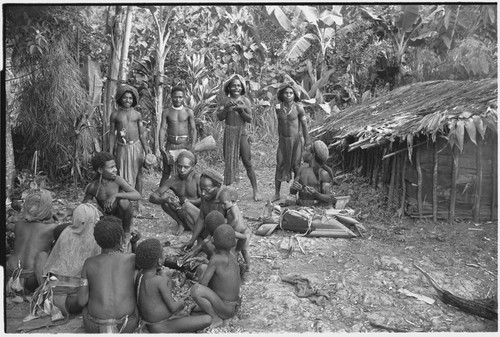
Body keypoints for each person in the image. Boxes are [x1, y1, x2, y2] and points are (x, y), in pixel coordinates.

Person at [30, 204, 101, 317]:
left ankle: (43, 291)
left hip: (52, 297)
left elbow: (53, 261)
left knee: (42, 256)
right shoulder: (96, 235)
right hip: (76, 300)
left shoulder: (66, 232)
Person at [135, 238, 212, 333]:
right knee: (207, 319)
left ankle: (185, 316)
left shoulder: (140, 274)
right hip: (161, 325)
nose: (165, 254)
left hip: (148, 321)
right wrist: (183, 300)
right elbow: (174, 308)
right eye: (163, 252)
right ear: (159, 261)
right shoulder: (159, 281)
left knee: (193, 311)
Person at [77, 217, 138, 333]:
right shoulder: (131, 259)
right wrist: (134, 244)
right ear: (120, 238)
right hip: (126, 325)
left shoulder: (89, 263)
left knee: (87, 307)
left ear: (97, 240)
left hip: (94, 326)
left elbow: (81, 301)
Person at [83, 151, 141, 252]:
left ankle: (127, 232)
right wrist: (68, 212)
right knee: (91, 206)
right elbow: (83, 206)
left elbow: (137, 195)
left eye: (115, 166)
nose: (115, 170)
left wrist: (116, 195)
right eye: (111, 168)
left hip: (122, 217)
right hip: (107, 218)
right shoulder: (93, 187)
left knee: (124, 201)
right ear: (100, 170)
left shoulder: (117, 180)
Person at [217, 74, 261, 201]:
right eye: (233, 86)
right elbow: (220, 117)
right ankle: (228, 193)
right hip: (229, 134)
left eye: (238, 86)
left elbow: (249, 119)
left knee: (248, 162)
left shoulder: (245, 101)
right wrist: (226, 108)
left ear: (242, 88)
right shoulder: (225, 101)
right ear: (229, 88)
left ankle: (256, 191)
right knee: (229, 163)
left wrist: (241, 110)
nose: (236, 88)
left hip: (242, 134)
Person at [6, 189, 57, 294]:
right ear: (46, 209)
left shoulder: (19, 225)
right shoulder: (52, 228)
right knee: (45, 254)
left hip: (11, 274)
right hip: (31, 279)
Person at [190, 225, 241, 328]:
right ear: (233, 243)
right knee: (203, 268)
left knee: (196, 290)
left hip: (226, 309)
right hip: (233, 305)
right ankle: (208, 306)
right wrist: (206, 262)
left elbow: (203, 284)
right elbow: (221, 273)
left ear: (213, 242)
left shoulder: (216, 259)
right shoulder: (232, 254)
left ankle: (215, 318)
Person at [110, 84, 150, 212]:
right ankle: (123, 200)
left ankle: (138, 202)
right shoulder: (115, 115)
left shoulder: (137, 114)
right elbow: (111, 134)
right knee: (120, 174)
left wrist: (146, 149)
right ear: (120, 98)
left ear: (134, 100)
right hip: (122, 147)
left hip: (136, 146)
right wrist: (110, 150)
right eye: (125, 98)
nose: (128, 100)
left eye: (130, 98)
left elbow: (142, 133)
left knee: (138, 174)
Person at [273, 82, 311, 201]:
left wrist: (307, 142)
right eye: (286, 93)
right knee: (279, 165)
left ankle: (296, 194)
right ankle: (277, 193)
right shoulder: (278, 108)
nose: (288, 95)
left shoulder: (299, 108)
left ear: (294, 95)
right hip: (283, 141)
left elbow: (304, 126)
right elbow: (279, 125)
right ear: (282, 94)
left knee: (296, 166)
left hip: (296, 142)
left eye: (291, 93)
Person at [149, 150, 201, 236]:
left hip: (196, 215)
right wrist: (166, 200)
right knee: (164, 197)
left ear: (193, 166)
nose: (182, 170)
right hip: (182, 212)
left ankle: (195, 226)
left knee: (187, 206)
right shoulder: (173, 180)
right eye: (179, 166)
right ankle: (181, 224)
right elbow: (152, 197)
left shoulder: (197, 178)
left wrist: (190, 202)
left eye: (186, 167)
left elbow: (204, 199)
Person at [158, 86, 197, 186]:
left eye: (180, 97)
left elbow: (193, 129)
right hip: (170, 144)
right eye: (175, 97)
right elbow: (162, 128)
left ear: (184, 97)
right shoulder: (166, 112)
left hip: (184, 145)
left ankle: (187, 193)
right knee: (166, 171)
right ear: (171, 97)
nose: (178, 99)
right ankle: (161, 194)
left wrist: (192, 145)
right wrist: (160, 145)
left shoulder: (189, 112)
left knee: (185, 170)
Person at [182, 169, 225, 251]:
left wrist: (200, 247)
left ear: (217, 187)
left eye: (207, 190)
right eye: (201, 189)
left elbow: (218, 227)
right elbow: (201, 218)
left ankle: (204, 245)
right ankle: (200, 241)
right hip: (207, 226)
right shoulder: (204, 195)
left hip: (218, 232)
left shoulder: (224, 200)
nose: (203, 193)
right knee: (186, 206)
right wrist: (192, 240)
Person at [290, 140, 336, 207]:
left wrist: (316, 194)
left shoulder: (323, 174)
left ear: (312, 155)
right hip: (300, 208)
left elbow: (328, 199)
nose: (303, 153)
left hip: (317, 209)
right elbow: (292, 192)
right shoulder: (301, 169)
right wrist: (294, 187)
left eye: (306, 151)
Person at [218, 186, 252, 271]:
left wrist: (229, 227)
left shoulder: (233, 208)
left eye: (224, 204)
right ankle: (240, 261)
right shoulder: (229, 208)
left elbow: (235, 219)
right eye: (221, 204)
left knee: (244, 249)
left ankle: (248, 266)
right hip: (241, 232)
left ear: (232, 201)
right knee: (238, 248)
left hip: (244, 232)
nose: (222, 206)